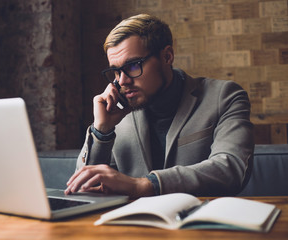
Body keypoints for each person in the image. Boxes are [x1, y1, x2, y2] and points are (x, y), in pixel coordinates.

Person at [65, 14, 254, 199]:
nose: (122, 81)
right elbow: (82, 189)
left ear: (167, 56)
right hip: (131, 225)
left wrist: (142, 185)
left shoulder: (224, 96)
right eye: (115, 71)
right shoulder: (116, 113)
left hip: (201, 223)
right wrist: (102, 132)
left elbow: (231, 169)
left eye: (132, 66)